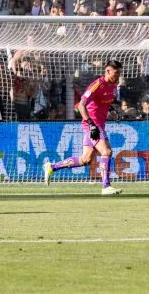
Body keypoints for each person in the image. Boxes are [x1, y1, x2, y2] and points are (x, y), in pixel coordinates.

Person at [44, 59, 123, 195]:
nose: (118, 76)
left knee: (85, 159)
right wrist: (91, 125)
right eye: (115, 73)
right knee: (107, 151)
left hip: (98, 123)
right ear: (107, 71)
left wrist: (112, 111)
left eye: (119, 73)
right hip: (93, 124)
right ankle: (106, 186)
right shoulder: (97, 84)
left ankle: (51, 167)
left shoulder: (113, 86)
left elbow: (104, 101)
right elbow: (81, 105)